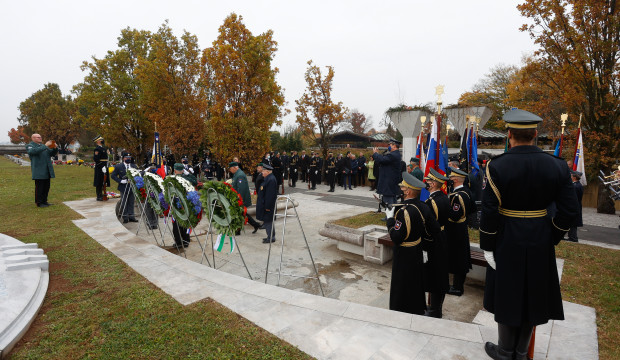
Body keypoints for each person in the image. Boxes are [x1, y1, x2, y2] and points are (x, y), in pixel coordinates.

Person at [480, 109, 578, 360]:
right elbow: (569, 210)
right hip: (540, 238)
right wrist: (552, 235)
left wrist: (487, 244)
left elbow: (490, 211)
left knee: (508, 293)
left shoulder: (496, 166)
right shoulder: (557, 166)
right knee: (533, 294)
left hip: (506, 238)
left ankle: (505, 353)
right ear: (536, 134)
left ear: (509, 134)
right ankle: (521, 353)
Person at [385, 171, 441, 315]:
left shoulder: (404, 212)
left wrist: (390, 220)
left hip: (404, 253)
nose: (402, 191)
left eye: (403, 189)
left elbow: (396, 237)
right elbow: (434, 229)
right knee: (416, 282)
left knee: (402, 284)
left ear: (409, 191)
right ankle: (417, 308)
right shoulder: (423, 206)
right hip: (417, 248)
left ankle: (400, 309)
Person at [423, 168, 450, 318]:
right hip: (443, 236)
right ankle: (435, 308)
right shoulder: (445, 198)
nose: (426, 183)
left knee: (434, 275)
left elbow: (427, 225)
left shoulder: (430, 202)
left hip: (433, 240)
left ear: (433, 184)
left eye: (428, 181)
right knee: (440, 273)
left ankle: (434, 310)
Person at [445, 167, 476, 296]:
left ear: (456, 180)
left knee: (459, 259)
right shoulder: (466, 192)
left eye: (451, 178)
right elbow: (472, 209)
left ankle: (458, 288)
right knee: (459, 257)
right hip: (460, 229)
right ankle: (457, 286)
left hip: (456, 231)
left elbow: (455, 215)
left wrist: (444, 210)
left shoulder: (458, 195)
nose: (449, 180)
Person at [26, 133, 58, 207]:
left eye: (40, 137)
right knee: (40, 187)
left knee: (46, 187)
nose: (40, 138)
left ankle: (44, 201)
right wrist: (45, 146)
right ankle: (39, 202)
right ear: (33, 138)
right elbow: (32, 152)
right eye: (38, 137)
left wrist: (55, 148)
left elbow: (51, 153)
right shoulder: (30, 146)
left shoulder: (43, 146)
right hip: (39, 170)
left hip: (47, 169)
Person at [170, 163, 197, 248]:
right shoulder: (186, 178)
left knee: (176, 224)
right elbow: (195, 181)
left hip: (176, 203)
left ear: (174, 170)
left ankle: (178, 242)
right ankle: (186, 240)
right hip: (185, 204)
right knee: (185, 222)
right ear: (182, 170)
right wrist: (188, 174)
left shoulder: (171, 179)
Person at [229, 162, 262, 233]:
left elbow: (241, 189)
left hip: (240, 198)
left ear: (235, 167)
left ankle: (238, 230)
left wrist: (239, 200)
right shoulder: (236, 174)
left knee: (239, 213)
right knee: (242, 214)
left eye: (231, 169)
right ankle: (256, 225)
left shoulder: (240, 175)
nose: (230, 171)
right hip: (238, 198)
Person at [372, 139, 402, 206]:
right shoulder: (395, 154)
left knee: (388, 203)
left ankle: (389, 216)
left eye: (390, 145)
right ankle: (393, 215)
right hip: (391, 183)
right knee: (393, 201)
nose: (389, 146)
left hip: (388, 183)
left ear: (394, 146)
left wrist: (375, 153)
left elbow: (382, 160)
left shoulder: (393, 155)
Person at [111, 153, 139, 223]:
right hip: (123, 186)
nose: (128, 159)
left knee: (131, 202)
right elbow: (113, 175)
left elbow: (137, 175)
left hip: (132, 186)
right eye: (126, 157)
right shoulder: (119, 166)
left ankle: (131, 216)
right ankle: (125, 217)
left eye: (129, 157)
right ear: (123, 158)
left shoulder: (134, 166)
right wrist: (120, 181)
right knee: (124, 202)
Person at [256, 164, 278, 243]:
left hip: (268, 206)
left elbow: (270, 195)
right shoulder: (268, 178)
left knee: (268, 222)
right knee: (268, 221)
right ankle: (270, 236)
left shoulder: (271, 180)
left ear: (267, 172)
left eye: (263, 171)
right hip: (265, 204)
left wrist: (268, 206)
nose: (262, 173)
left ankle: (271, 238)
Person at [567, 170, 584, 242]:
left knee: (573, 222)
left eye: (571, 175)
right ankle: (571, 237)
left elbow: (573, 198)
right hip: (575, 206)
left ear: (574, 177)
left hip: (574, 206)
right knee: (571, 222)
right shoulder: (577, 185)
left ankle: (573, 237)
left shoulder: (575, 186)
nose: (570, 176)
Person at [93, 135, 110, 201]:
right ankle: (99, 195)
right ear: (98, 141)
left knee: (104, 181)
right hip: (100, 167)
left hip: (104, 166)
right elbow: (96, 159)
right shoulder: (97, 149)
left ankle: (104, 194)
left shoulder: (103, 148)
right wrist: (101, 166)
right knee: (99, 181)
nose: (102, 140)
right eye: (101, 139)